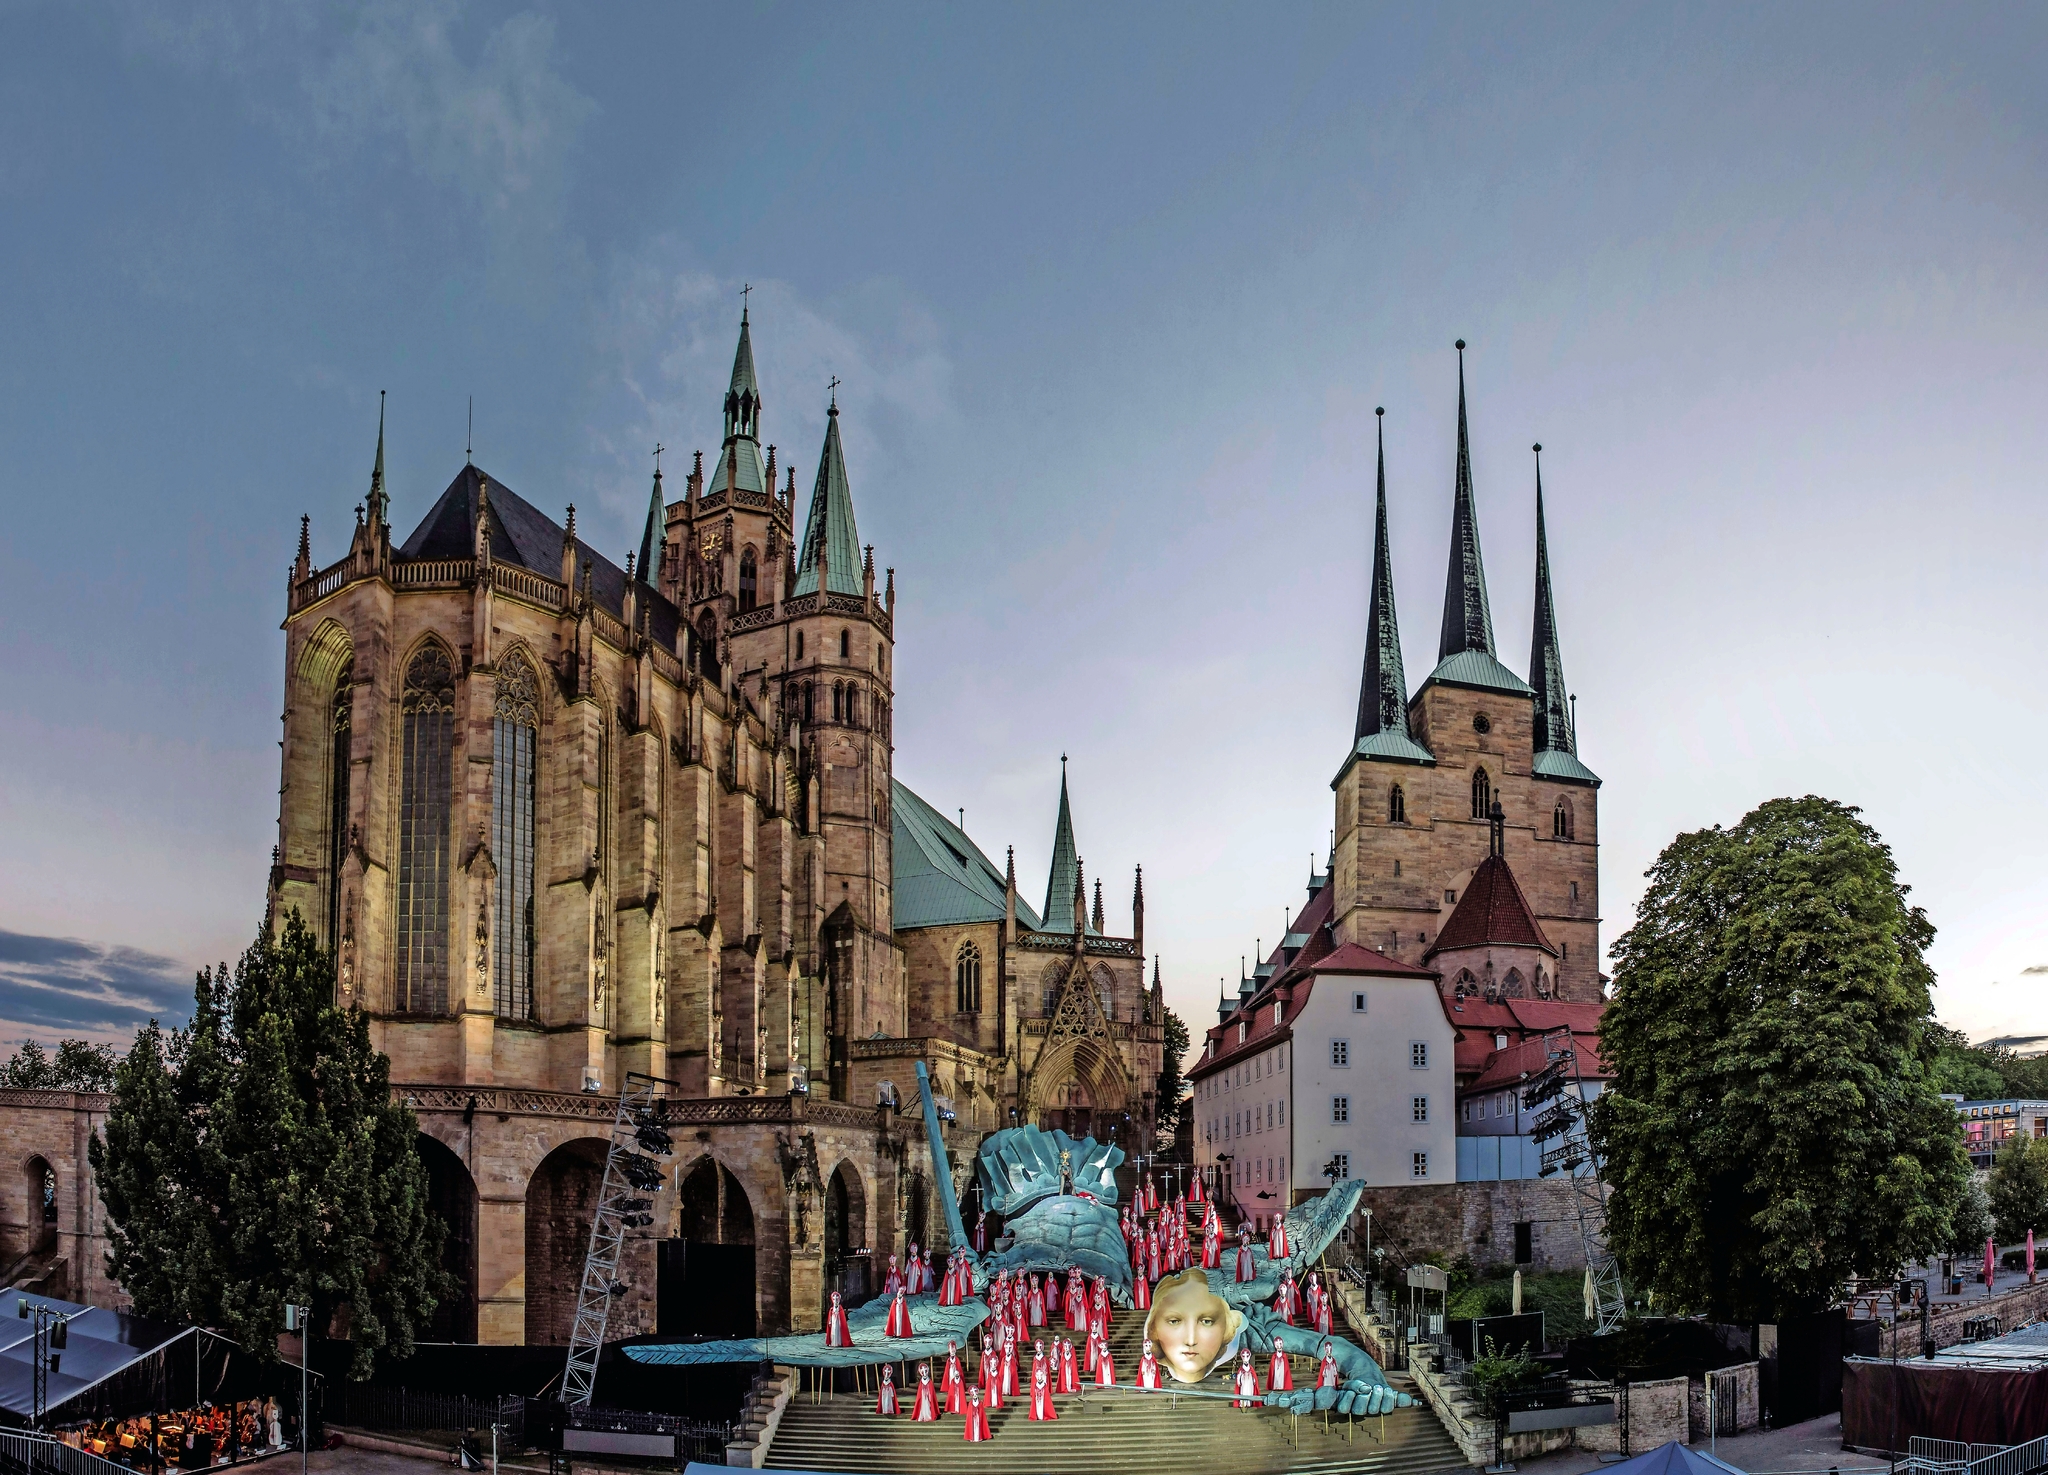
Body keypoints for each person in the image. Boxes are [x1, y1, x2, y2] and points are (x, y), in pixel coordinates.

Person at [944, 1342, 968, 1415]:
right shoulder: (948, 1360)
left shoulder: (957, 1359)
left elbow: (959, 1367)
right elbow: (947, 1369)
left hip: (955, 1372)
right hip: (950, 1372)